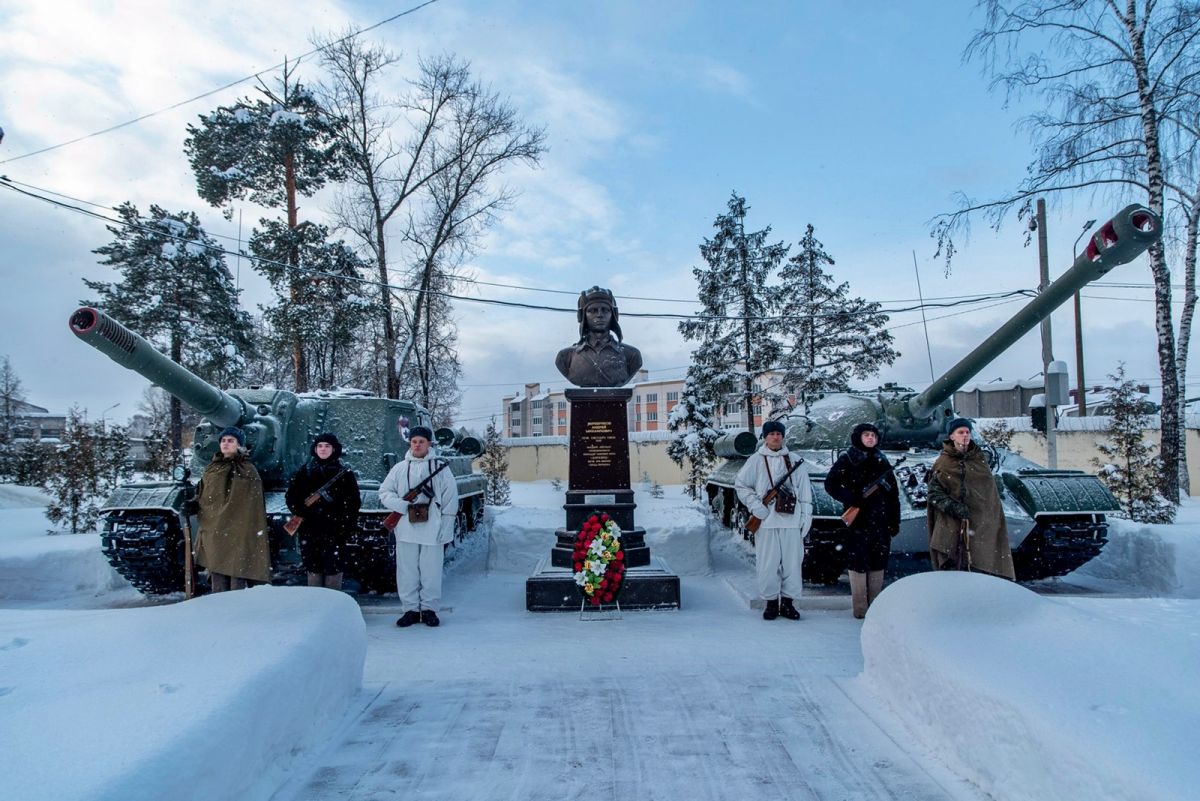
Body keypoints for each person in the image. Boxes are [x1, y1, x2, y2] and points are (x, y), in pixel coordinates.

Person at [379, 425, 459, 627]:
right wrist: (403, 505)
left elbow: (450, 499)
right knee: (407, 571)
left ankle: (429, 609)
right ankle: (411, 610)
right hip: (406, 528)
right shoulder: (399, 468)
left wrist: (446, 527)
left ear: (429, 443)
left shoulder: (441, 468)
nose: (417, 445)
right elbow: (385, 493)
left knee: (430, 571)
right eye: (414, 441)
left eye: (421, 441)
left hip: (432, 527)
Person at [735, 420, 813, 621]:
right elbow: (742, 485)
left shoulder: (795, 460)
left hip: (791, 521)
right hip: (767, 522)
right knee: (767, 565)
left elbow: (804, 491)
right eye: (771, 434)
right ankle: (770, 603)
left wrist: (806, 516)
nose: (775, 437)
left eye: (779, 434)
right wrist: (756, 507)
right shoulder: (755, 460)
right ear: (765, 437)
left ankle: (788, 603)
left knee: (793, 565)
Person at [824, 422, 900, 618]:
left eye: (873, 435)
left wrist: (894, 520)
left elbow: (893, 496)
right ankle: (860, 608)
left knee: (878, 561)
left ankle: (875, 606)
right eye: (866, 435)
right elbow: (831, 484)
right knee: (858, 562)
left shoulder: (882, 460)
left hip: (881, 521)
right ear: (858, 437)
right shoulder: (848, 459)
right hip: (859, 522)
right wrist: (851, 498)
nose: (870, 438)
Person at [927, 417, 1016, 580]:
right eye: (960, 432)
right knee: (953, 569)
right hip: (952, 523)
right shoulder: (944, 462)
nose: (965, 436)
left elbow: (989, 494)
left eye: (967, 432)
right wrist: (953, 507)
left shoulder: (979, 460)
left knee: (980, 565)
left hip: (982, 524)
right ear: (952, 436)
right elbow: (934, 493)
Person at [193, 426, 270, 592]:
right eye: (223, 440)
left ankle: (237, 609)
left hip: (238, 530)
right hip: (214, 528)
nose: (226, 444)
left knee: (237, 569)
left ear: (239, 445)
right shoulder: (212, 468)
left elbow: (250, 506)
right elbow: (205, 494)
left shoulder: (247, 470)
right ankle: (220, 607)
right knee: (217, 572)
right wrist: (194, 504)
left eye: (231, 441)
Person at [285, 432, 361, 590]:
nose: (323, 449)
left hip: (334, 530)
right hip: (310, 529)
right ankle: (315, 604)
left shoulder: (344, 474)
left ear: (334, 449)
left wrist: (344, 526)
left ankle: (331, 605)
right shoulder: (304, 472)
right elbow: (292, 496)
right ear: (315, 449)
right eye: (320, 446)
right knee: (313, 567)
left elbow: (353, 503)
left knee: (333, 567)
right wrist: (300, 509)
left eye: (327, 446)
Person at [554, 286, 643, 387]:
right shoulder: (565, 357)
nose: (600, 315)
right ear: (582, 316)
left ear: (614, 315)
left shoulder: (631, 356)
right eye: (593, 311)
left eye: (605, 310)